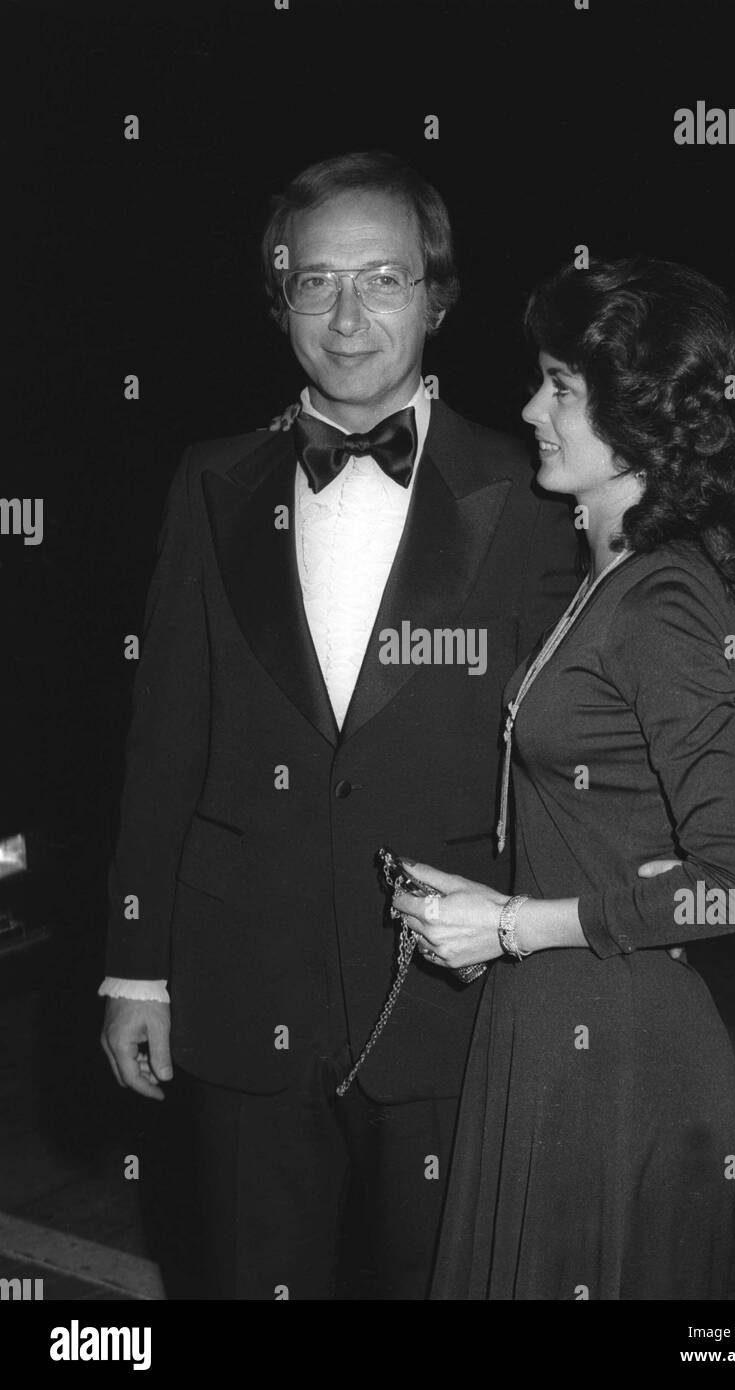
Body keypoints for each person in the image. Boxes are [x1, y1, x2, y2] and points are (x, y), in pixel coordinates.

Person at [98, 149, 582, 1300]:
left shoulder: (528, 488)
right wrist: (135, 969)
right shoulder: (210, 480)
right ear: (280, 300)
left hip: (451, 996)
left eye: (384, 279)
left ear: (436, 297)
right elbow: (164, 738)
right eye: (317, 282)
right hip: (240, 987)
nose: (349, 316)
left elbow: (564, 759)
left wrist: (555, 956)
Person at [394, 255, 735, 1300]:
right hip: (552, 1023)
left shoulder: (665, 602)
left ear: (643, 416)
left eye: (560, 387)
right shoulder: (612, 576)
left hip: (614, 1052)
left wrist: (511, 925)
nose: (532, 409)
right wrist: (490, 907)